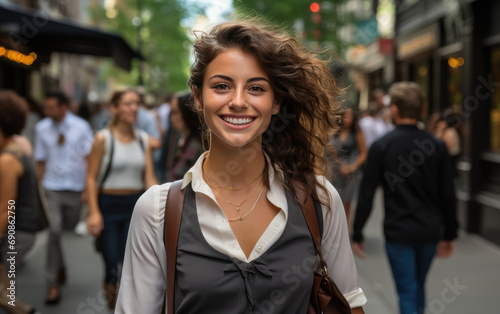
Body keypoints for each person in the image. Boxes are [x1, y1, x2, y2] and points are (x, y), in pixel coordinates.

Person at [115, 20, 367, 313]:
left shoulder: (319, 199)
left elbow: (349, 302)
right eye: (222, 86)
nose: (238, 101)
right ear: (198, 97)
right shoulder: (157, 211)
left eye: (256, 88)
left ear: (276, 102)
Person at [352, 82, 458, 314]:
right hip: (430, 230)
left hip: (398, 231)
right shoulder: (437, 146)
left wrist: (357, 232)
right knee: (418, 285)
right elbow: (448, 194)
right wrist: (450, 232)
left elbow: (367, 193)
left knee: (407, 289)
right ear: (421, 109)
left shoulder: (381, 146)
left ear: (396, 110)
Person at [86, 88, 158, 309]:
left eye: (136, 103)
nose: (133, 108)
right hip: (107, 205)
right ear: (114, 108)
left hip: (135, 206)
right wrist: (94, 212)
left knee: (132, 263)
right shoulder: (102, 139)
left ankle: (128, 307)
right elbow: (90, 178)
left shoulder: (143, 140)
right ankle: (112, 305)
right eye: (127, 104)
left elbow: (149, 178)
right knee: (111, 266)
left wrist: (161, 203)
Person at [34, 91, 94, 304]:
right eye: (46, 107)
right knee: (54, 230)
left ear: (63, 107)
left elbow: (90, 158)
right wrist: (37, 190)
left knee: (64, 228)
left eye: (51, 107)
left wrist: (88, 189)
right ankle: (52, 283)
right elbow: (40, 161)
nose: (46, 111)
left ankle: (59, 266)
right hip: (51, 187)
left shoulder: (81, 127)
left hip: (75, 189)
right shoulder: (41, 128)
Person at [0, 90, 41, 314]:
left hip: (14, 234)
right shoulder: (17, 150)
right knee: (3, 292)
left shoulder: (7, 159)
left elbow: (6, 208)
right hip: (21, 231)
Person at [330, 108, 367, 227]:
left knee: (346, 202)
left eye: (350, 117)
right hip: (336, 171)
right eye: (345, 116)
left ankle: (346, 230)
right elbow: (330, 151)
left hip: (352, 172)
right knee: (335, 201)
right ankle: (335, 229)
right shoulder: (334, 132)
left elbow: (363, 154)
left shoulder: (357, 133)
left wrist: (351, 167)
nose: (347, 119)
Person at [166, 91, 204, 181]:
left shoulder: (196, 146)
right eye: (171, 113)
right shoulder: (182, 138)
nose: (172, 118)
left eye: (175, 113)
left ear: (187, 113)